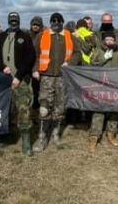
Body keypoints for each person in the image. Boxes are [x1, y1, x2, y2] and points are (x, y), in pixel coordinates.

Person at [31, 12, 81, 152]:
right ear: (50, 22)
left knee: (59, 108)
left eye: (59, 20)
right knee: (44, 108)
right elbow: (35, 54)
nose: (56, 22)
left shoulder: (69, 36)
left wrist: (69, 63)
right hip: (46, 76)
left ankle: (55, 134)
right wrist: (35, 69)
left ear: (62, 22)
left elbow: (77, 53)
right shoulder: (43, 35)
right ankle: (42, 137)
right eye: (53, 20)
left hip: (62, 76)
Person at [0, 12, 37, 156]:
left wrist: (19, 76)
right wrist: (2, 67)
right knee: (4, 109)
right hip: (3, 81)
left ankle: (26, 142)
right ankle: (4, 136)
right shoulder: (0, 37)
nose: (13, 23)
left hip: (20, 80)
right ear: (8, 21)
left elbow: (30, 58)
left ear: (19, 21)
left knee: (23, 109)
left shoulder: (25, 37)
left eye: (16, 21)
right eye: (11, 21)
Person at [87, 32, 118, 150]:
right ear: (103, 41)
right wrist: (104, 58)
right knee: (99, 110)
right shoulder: (98, 50)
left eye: (111, 39)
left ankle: (111, 134)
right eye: (107, 39)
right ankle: (94, 136)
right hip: (101, 84)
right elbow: (92, 63)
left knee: (114, 110)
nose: (109, 41)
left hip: (115, 84)